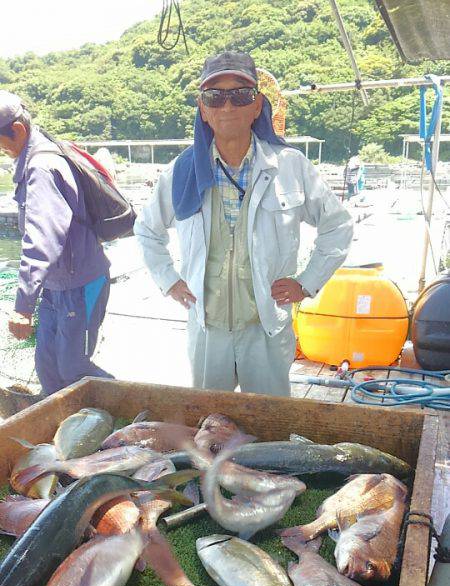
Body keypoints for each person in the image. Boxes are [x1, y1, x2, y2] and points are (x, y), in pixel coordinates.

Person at [135, 52, 353, 396]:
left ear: (257, 106)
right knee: (209, 427)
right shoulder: (182, 172)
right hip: (208, 331)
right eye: (214, 97)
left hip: (265, 327)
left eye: (240, 95)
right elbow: (147, 229)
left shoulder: (290, 166)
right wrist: (169, 280)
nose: (227, 106)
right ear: (203, 110)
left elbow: (338, 226)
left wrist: (307, 282)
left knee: (272, 427)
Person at [0, 90, 114, 396]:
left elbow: (42, 240)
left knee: (74, 367)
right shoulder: (33, 159)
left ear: (18, 130)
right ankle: (62, 433)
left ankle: (131, 419)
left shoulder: (41, 167)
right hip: (55, 287)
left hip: (82, 284)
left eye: (0, 141)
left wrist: (23, 307)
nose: (1, 150)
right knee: (48, 367)